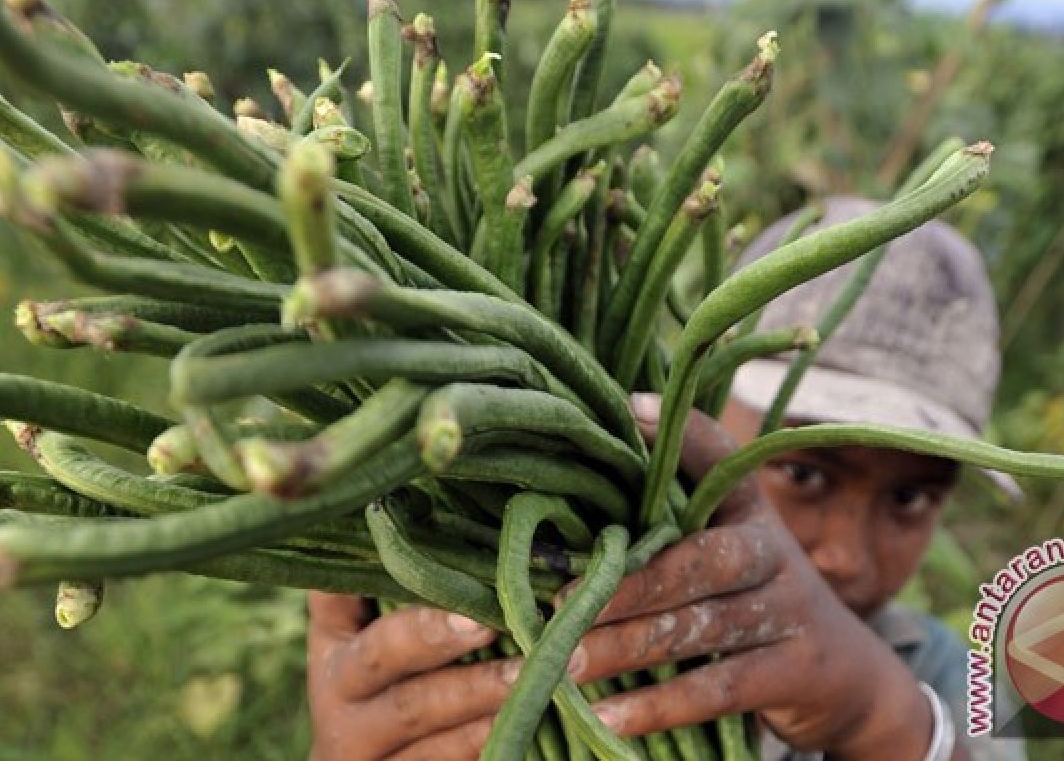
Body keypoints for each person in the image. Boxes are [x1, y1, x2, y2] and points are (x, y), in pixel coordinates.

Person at [305, 196, 1027, 761]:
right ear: (697, 399)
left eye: (910, 497)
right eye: (804, 470)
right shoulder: (525, 618)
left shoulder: (940, 676)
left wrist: (883, 720)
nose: (846, 554)